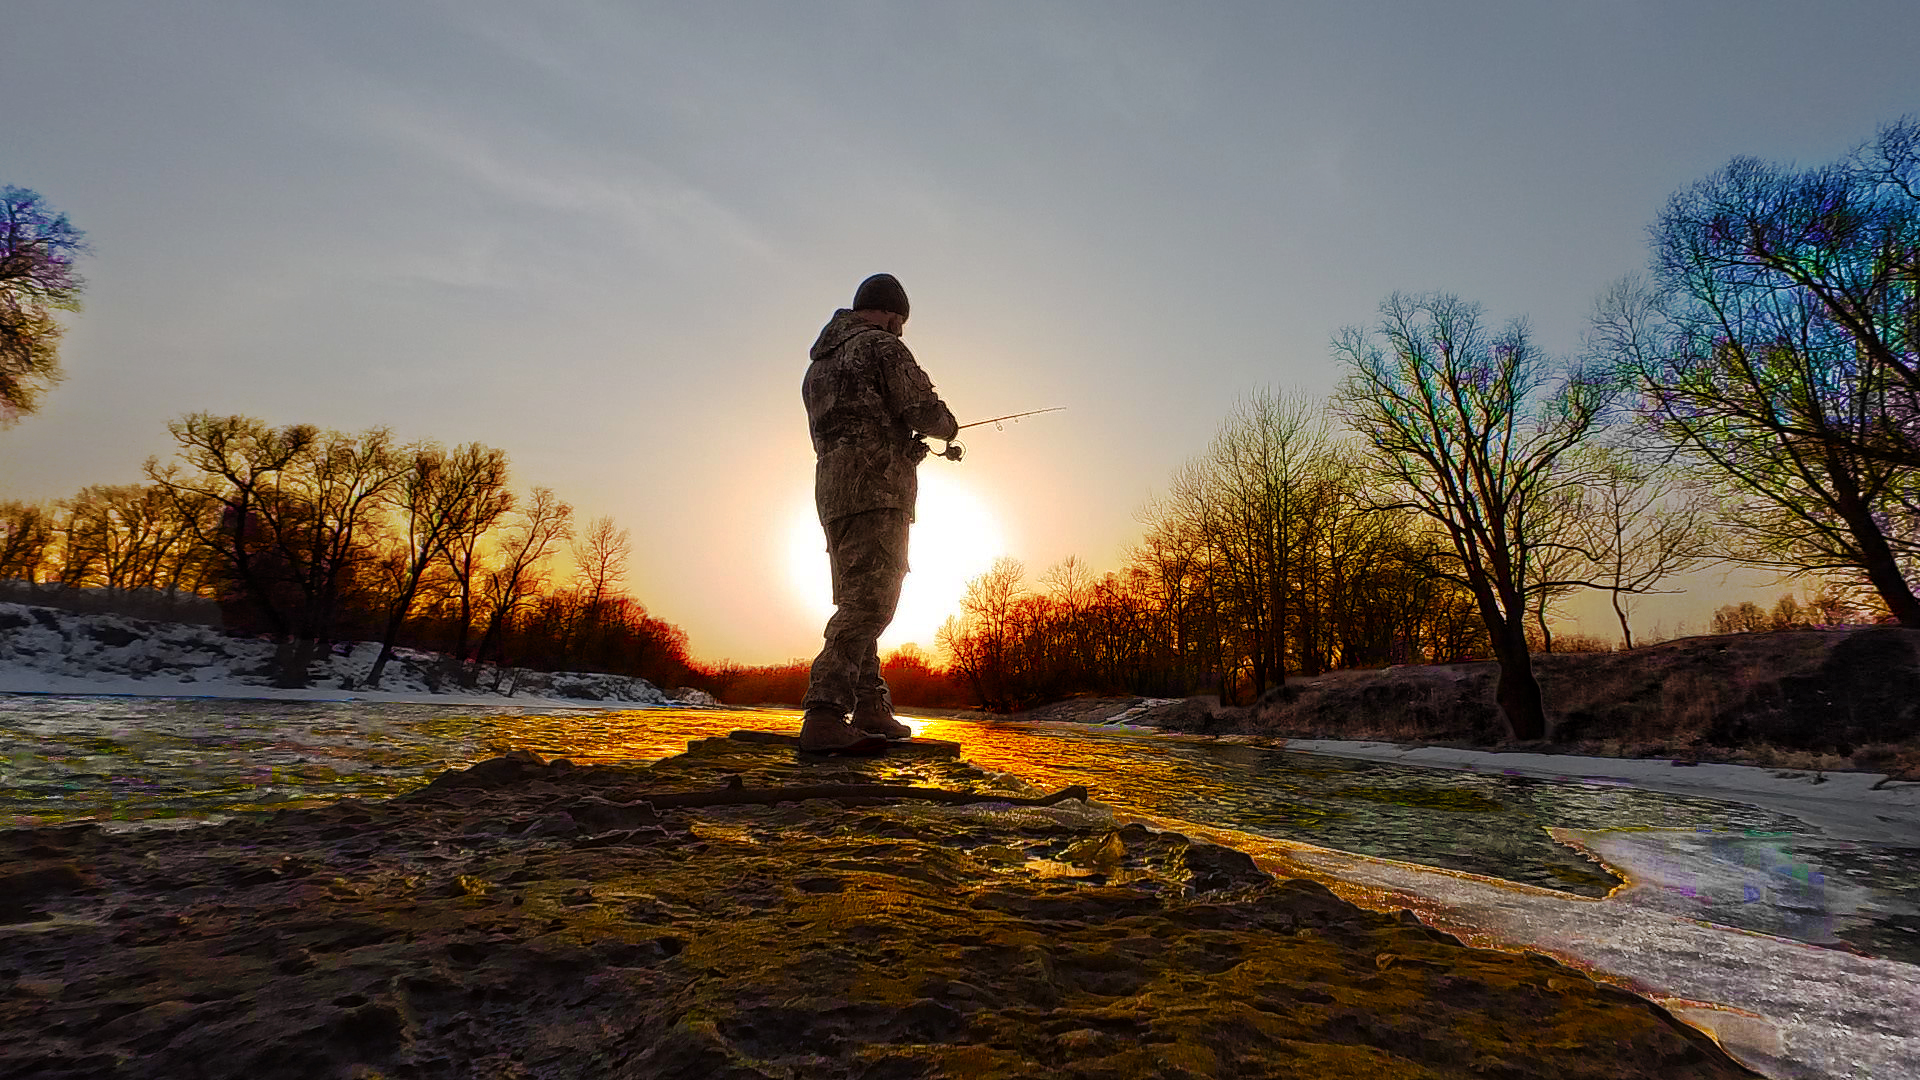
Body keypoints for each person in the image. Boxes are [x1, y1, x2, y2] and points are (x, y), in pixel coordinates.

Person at [798, 273, 958, 753]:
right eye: (900, 321)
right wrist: (947, 426)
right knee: (872, 604)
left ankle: (870, 705)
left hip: (834, 495)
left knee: (857, 602)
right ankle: (825, 713)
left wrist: (903, 449)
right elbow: (923, 409)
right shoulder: (882, 347)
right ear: (891, 313)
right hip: (878, 491)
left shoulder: (819, 367)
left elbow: (853, 427)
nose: (901, 330)